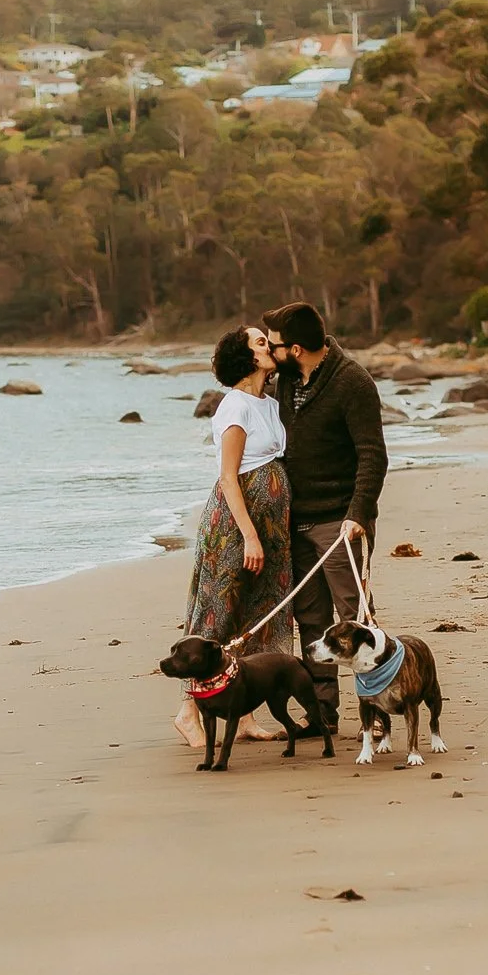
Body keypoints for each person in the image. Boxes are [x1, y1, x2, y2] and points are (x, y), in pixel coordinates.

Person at [262, 301, 388, 730]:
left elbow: (373, 456)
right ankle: (322, 716)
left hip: (341, 522)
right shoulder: (281, 381)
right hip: (293, 522)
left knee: (357, 621)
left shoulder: (353, 382)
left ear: (295, 348)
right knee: (310, 620)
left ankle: (378, 712)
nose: (270, 352)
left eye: (275, 345)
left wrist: (358, 514)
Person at [174, 324, 297, 747]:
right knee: (217, 615)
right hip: (234, 527)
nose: (270, 346)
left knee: (260, 614)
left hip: (270, 527)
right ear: (245, 357)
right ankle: (189, 712)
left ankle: (242, 713)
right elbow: (228, 478)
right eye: (261, 341)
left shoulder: (269, 402)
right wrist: (250, 536)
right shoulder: (235, 406)